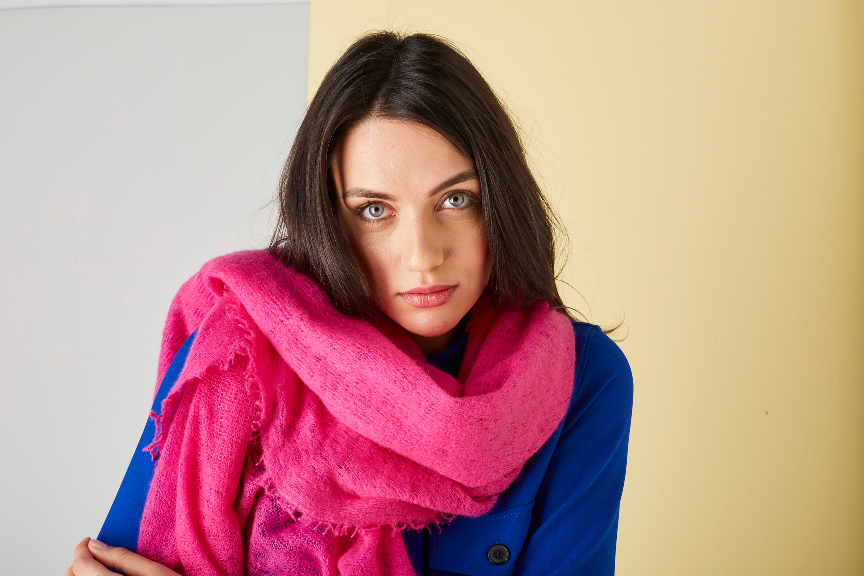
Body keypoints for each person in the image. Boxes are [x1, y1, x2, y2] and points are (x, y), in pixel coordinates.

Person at [67, 30, 633, 576]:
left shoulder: (580, 378)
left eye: (456, 200)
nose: (423, 256)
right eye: (374, 211)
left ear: (501, 203)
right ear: (327, 219)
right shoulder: (236, 348)